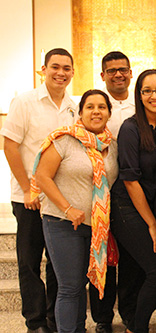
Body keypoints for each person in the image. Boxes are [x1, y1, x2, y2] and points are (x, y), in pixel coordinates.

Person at [1, 48, 77, 333]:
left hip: (60, 198)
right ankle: (35, 323)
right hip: (29, 198)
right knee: (30, 262)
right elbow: (9, 146)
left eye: (66, 68)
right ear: (43, 69)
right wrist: (27, 189)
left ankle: (53, 318)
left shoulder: (73, 106)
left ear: (72, 72)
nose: (60, 73)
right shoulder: (25, 102)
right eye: (55, 67)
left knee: (59, 263)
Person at [33, 89, 119, 333]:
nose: (96, 111)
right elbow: (42, 176)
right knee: (70, 286)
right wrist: (68, 208)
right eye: (90, 107)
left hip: (95, 227)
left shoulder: (112, 145)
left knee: (82, 283)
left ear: (109, 113)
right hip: (62, 223)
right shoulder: (64, 139)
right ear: (80, 113)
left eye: (101, 107)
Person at [111, 69, 156, 333]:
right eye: (147, 91)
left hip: (154, 206)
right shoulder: (131, 128)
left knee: (150, 269)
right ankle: (136, 328)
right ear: (139, 95)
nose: (154, 96)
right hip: (127, 206)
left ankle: (134, 321)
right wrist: (151, 223)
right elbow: (130, 179)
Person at [88, 51, 143, 333]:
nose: (118, 74)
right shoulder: (95, 106)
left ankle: (131, 314)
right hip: (100, 195)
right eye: (112, 71)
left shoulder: (142, 103)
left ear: (131, 73)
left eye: (123, 70)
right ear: (103, 75)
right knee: (104, 258)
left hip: (134, 192)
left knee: (132, 259)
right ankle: (102, 318)